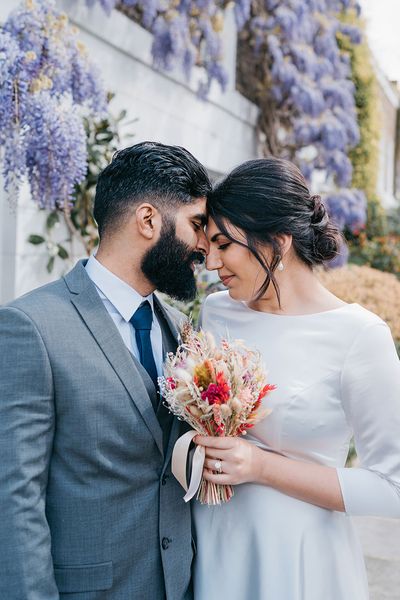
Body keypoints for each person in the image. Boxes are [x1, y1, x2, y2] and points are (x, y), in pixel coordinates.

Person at [0, 141, 211, 600]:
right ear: (149, 219)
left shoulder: (181, 330)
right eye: (197, 224)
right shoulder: (31, 327)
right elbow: (14, 499)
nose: (204, 246)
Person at [193, 157, 400, 600]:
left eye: (223, 244)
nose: (210, 261)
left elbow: (393, 487)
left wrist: (261, 466)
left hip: (298, 555)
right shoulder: (216, 310)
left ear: (278, 242)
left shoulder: (359, 335)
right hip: (215, 538)